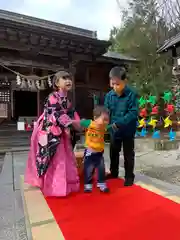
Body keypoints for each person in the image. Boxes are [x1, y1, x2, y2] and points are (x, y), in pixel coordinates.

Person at [25, 71, 80, 197]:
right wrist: (74, 123)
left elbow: (71, 113)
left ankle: (62, 184)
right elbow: (57, 115)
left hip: (61, 131)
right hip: (49, 130)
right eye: (64, 78)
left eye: (69, 78)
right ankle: (53, 187)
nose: (68, 81)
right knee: (52, 157)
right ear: (56, 83)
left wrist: (78, 122)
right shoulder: (52, 97)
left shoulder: (67, 99)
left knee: (62, 157)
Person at [104, 66, 138, 186]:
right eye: (112, 84)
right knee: (113, 151)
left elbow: (133, 112)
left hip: (128, 129)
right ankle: (114, 172)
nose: (115, 87)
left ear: (125, 81)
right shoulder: (109, 96)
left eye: (118, 84)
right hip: (114, 130)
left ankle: (129, 176)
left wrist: (121, 122)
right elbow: (106, 112)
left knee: (128, 153)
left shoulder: (131, 94)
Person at [72, 106, 111, 193]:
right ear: (95, 118)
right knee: (88, 170)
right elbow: (80, 122)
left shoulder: (103, 127)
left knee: (101, 169)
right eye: (104, 119)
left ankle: (101, 185)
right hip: (89, 153)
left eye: (107, 120)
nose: (106, 122)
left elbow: (110, 127)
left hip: (99, 153)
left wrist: (115, 126)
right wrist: (71, 121)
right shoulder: (90, 123)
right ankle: (88, 185)